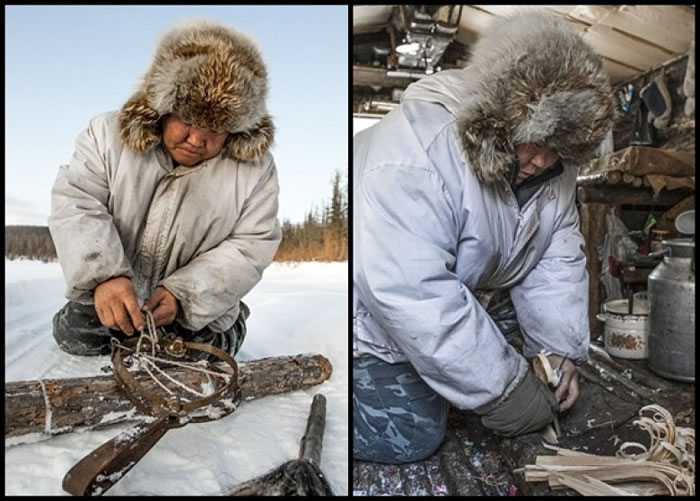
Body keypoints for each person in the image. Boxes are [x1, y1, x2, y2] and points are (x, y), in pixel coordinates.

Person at [353, 9, 615, 464]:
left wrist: (557, 353)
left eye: (558, 148)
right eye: (532, 139)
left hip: (469, 289)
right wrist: (503, 388)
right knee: (409, 435)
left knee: (512, 375)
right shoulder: (415, 152)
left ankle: (470, 375)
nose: (540, 160)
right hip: (373, 313)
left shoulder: (555, 166)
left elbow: (556, 257)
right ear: (498, 116)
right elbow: (409, 292)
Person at [48, 19, 281, 360]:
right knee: (75, 339)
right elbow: (78, 201)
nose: (197, 139)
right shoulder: (105, 135)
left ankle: (232, 322)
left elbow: (252, 245)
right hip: (118, 294)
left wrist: (183, 295)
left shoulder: (255, 170)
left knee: (201, 355)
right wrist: (105, 276)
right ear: (161, 106)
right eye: (187, 119)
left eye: (216, 128)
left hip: (197, 306)